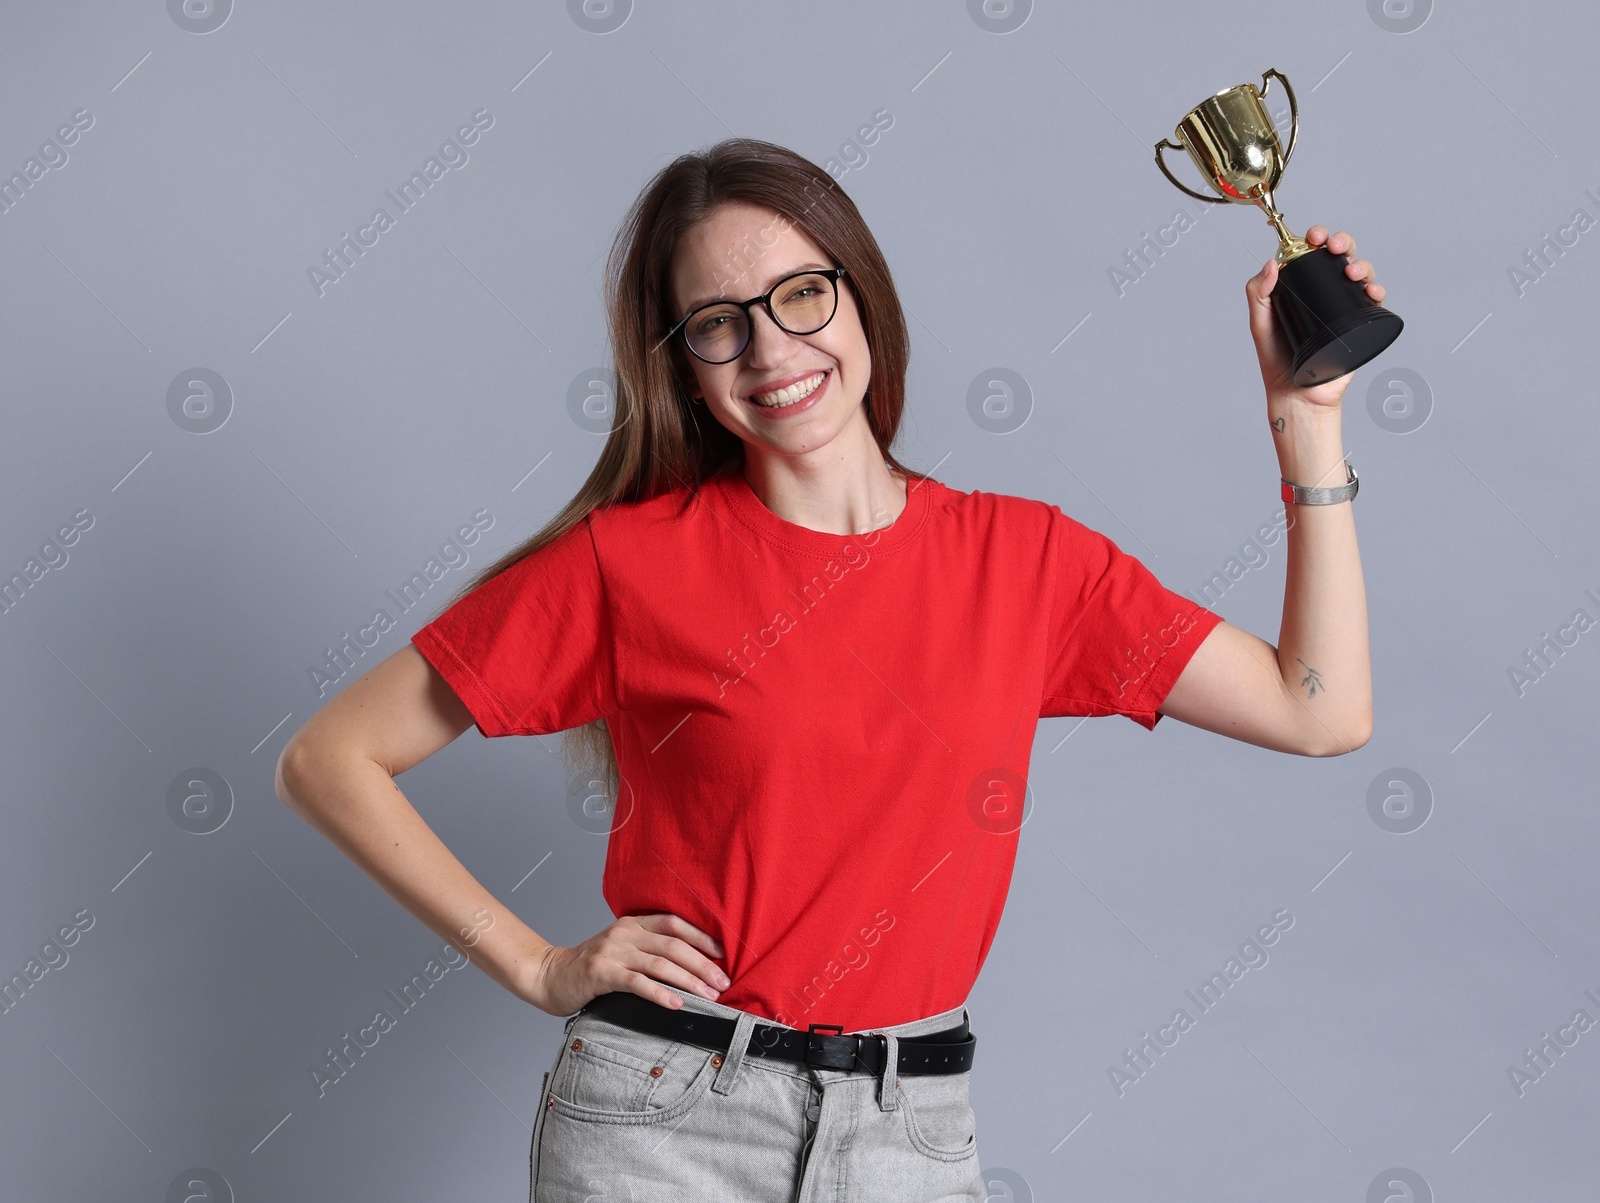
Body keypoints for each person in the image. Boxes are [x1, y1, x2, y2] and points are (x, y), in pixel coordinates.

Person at [274, 137, 1378, 1202]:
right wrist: (533, 965)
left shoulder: (1026, 560)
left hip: (912, 1133)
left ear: (861, 299)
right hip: (660, 1132)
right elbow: (329, 758)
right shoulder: (629, 565)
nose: (770, 352)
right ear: (682, 365)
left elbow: (1318, 711)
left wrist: (1303, 421)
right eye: (718, 324)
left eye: (801, 295)